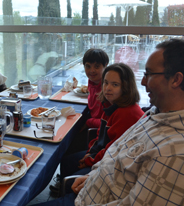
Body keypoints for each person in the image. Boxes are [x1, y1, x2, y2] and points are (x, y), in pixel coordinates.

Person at [36, 39, 184, 205]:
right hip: (90, 186)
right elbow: (116, 151)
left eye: (148, 74)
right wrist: (92, 176)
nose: (142, 82)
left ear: (176, 79)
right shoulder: (157, 113)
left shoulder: (179, 153)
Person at [51, 63, 144, 195]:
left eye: (115, 84)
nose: (108, 88)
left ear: (126, 87)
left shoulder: (127, 113)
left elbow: (113, 150)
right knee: (66, 161)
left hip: (113, 165)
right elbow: (100, 135)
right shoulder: (111, 105)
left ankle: (71, 197)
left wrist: (90, 160)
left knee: (72, 181)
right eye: (105, 83)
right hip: (102, 154)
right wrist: (90, 153)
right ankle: (63, 192)